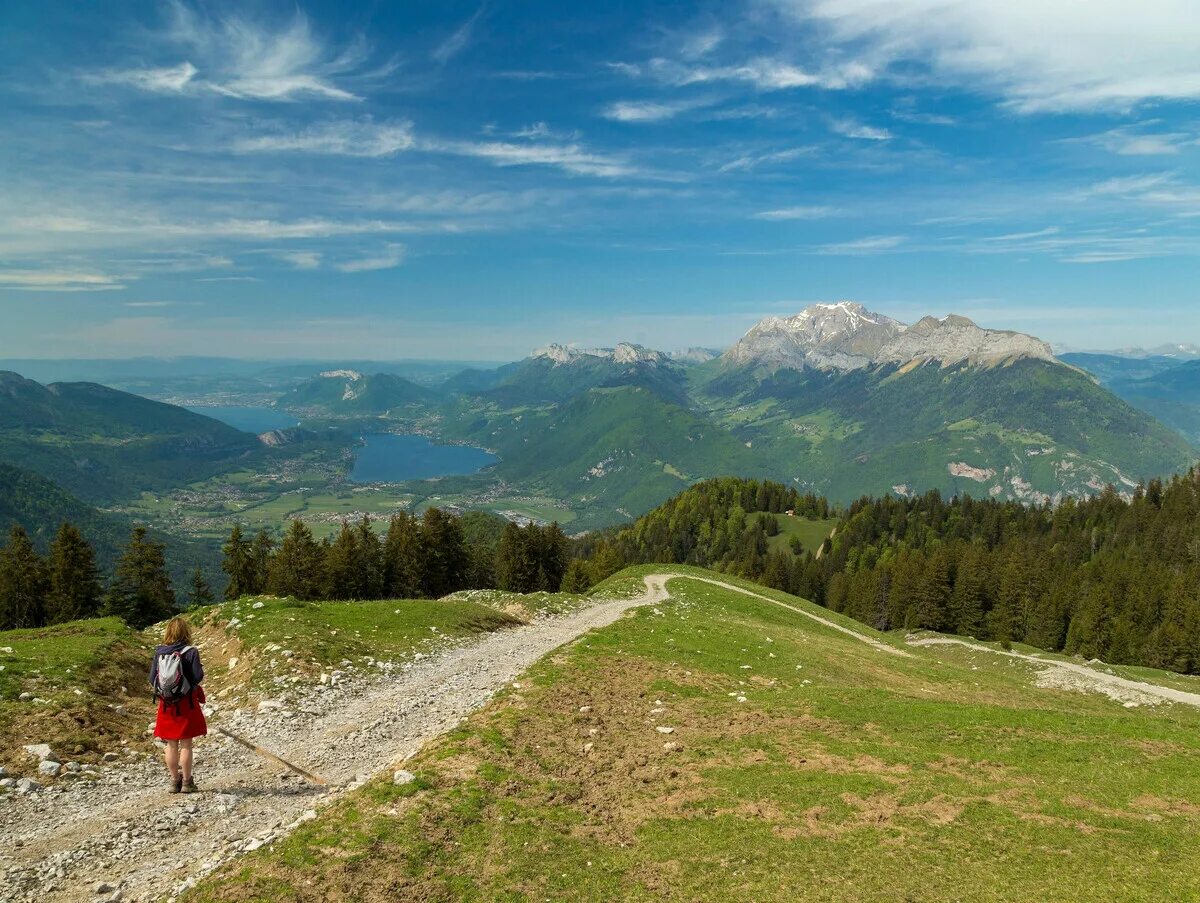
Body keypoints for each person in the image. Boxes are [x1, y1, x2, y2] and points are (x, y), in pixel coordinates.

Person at [149, 617, 207, 794]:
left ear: (168, 632)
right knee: (186, 745)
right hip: (187, 704)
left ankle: (174, 781)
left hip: (167, 705)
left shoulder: (160, 653)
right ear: (186, 632)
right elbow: (197, 677)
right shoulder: (191, 652)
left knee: (171, 745)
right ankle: (188, 782)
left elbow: (152, 679)